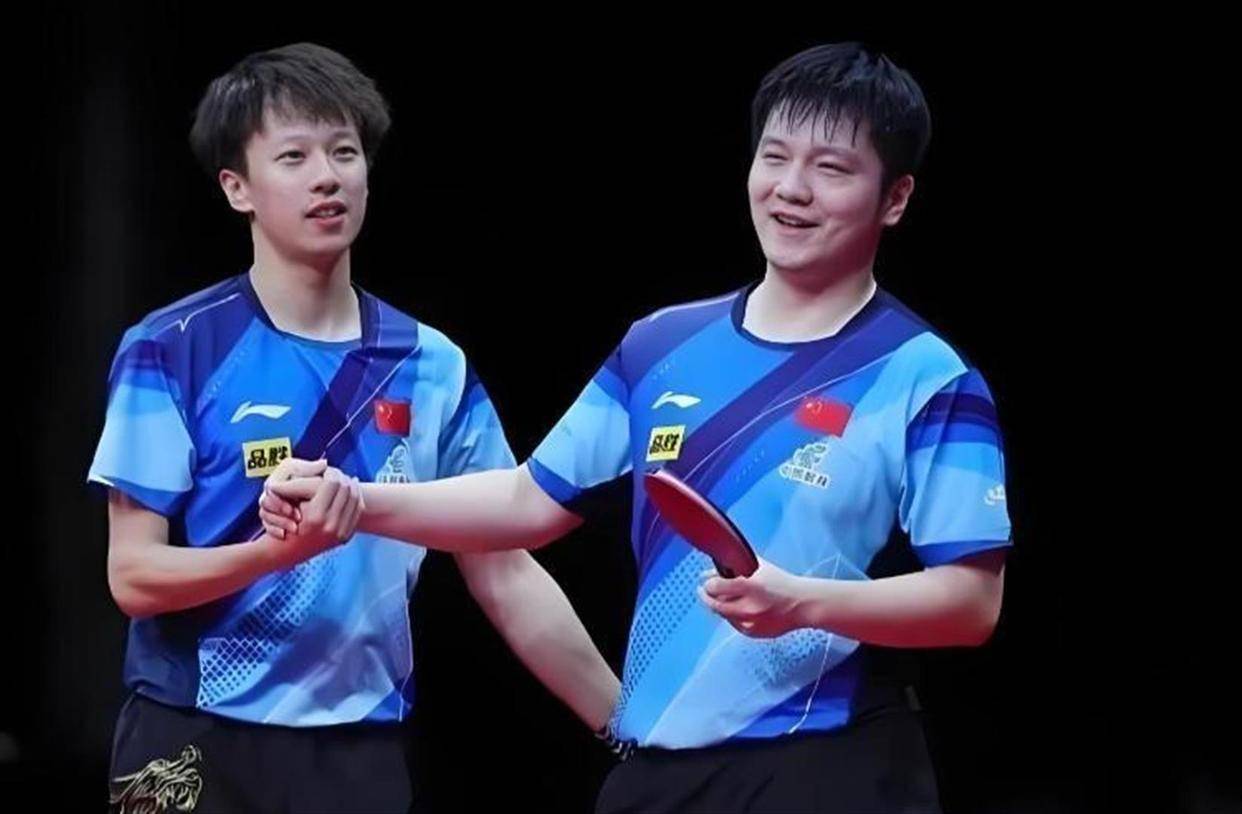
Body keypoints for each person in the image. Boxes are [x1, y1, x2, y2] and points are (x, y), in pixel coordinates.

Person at [264, 41, 1011, 813]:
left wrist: (803, 603)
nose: (792, 189)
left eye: (831, 169)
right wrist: (355, 500)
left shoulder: (926, 376)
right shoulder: (659, 346)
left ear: (895, 198)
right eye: (775, 156)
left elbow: (971, 603)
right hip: (661, 774)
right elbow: (525, 502)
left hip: (831, 763)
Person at [89, 42, 618, 814]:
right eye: (294, 156)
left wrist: (627, 726)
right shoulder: (171, 349)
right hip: (193, 739)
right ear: (237, 187)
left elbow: (506, 573)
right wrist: (275, 554)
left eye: (344, 152)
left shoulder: (431, 365)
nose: (327, 176)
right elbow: (135, 577)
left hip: (358, 751)